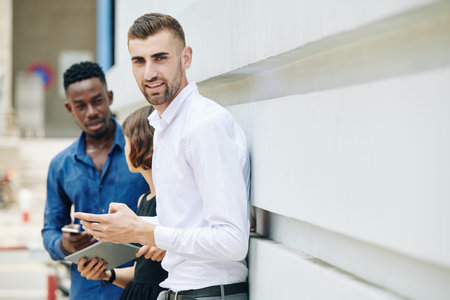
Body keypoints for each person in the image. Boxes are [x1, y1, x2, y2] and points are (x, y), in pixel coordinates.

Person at [76, 13, 251, 300]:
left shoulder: (204, 126)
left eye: (160, 58)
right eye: (139, 61)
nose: (149, 73)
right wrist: (131, 226)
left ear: (186, 58)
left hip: (210, 294)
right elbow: (189, 223)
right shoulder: (164, 127)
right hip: (177, 291)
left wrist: (144, 230)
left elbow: (232, 241)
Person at [42, 61, 148, 300]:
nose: (91, 111)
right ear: (70, 109)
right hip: (85, 290)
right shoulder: (61, 165)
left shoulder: (142, 150)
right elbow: (50, 230)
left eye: (97, 100)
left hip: (137, 288)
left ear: (109, 97)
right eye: (80, 105)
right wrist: (64, 245)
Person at [77, 105, 168, 300]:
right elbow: (143, 273)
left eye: (125, 141)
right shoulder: (144, 199)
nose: (122, 149)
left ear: (140, 143)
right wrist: (107, 274)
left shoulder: (172, 201)